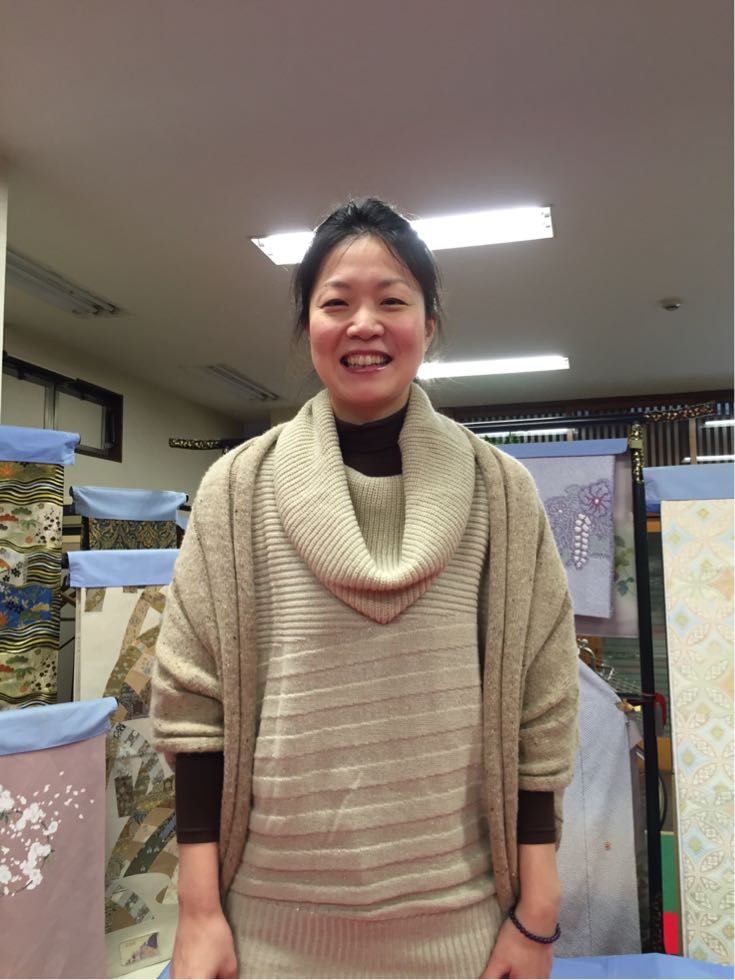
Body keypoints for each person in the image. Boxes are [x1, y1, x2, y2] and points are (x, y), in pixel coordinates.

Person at [151, 197, 579, 980]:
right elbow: (192, 710)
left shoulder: (502, 494)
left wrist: (538, 910)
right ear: (305, 326)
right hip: (264, 935)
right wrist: (199, 911)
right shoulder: (236, 491)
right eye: (336, 303)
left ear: (429, 324)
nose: (364, 324)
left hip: (467, 935)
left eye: (392, 301)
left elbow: (540, 707)